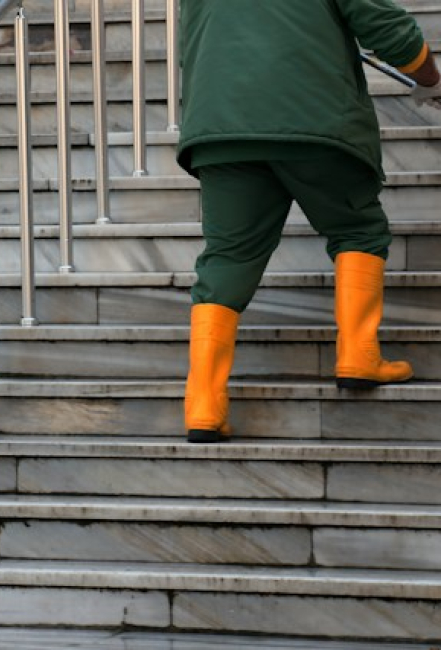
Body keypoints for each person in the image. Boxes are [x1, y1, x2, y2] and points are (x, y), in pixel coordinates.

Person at [177, 0, 441, 443]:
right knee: (357, 228)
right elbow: (382, 24)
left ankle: (203, 403)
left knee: (227, 257)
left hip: (221, 123)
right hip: (313, 117)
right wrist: (430, 79)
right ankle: (359, 354)